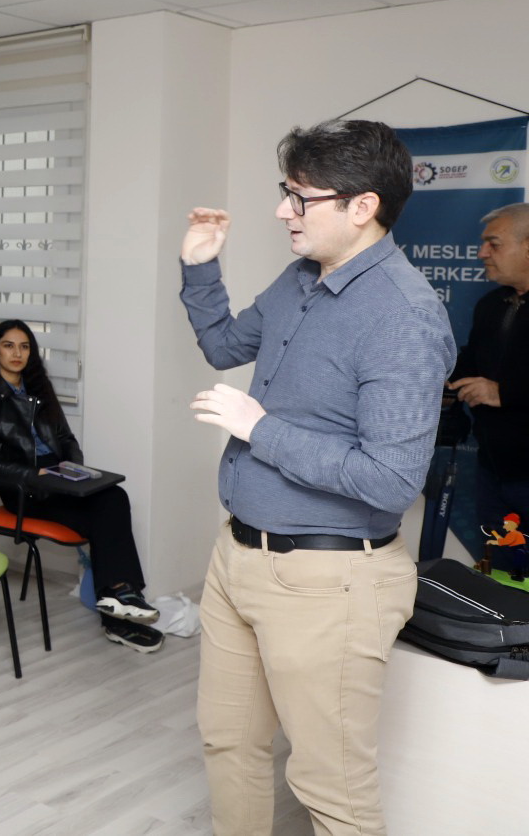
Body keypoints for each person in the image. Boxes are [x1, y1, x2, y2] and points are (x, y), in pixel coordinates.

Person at [179, 119, 455, 836]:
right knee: (228, 744)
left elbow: (391, 480)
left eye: (300, 198)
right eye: (287, 192)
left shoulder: (403, 316)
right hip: (238, 556)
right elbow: (223, 346)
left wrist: (260, 429)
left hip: (331, 582)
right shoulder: (301, 278)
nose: (283, 211)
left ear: (362, 206)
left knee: (332, 791)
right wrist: (201, 268)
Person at [0, 319, 162, 653]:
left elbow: (66, 439)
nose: (17, 353)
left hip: (58, 478)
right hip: (23, 487)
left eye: (24, 346)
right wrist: (34, 475)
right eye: (9, 346)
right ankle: (118, 606)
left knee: (114, 495)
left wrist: (72, 467)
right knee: (103, 516)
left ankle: (120, 597)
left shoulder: (39, 389)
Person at [448, 202, 529, 542]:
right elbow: (471, 361)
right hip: (491, 471)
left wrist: (503, 391)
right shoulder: (491, 304)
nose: (481, 253)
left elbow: (504, 385)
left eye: (493, 244)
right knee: (499, 567)